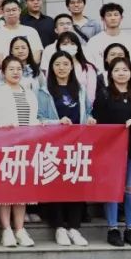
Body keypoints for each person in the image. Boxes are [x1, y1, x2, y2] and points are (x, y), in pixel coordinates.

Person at [0, 55, 46, 248]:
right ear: (3, 72)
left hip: (26, 147)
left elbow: (33, 118)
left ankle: (20, 229)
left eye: (19, 69)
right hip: (4, 147)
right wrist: (0, 127)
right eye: (11, 69)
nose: (16, 72)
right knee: (5, 190)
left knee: (22, 189)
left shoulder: (30, 94)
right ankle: (6, 229)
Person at [93, 57, 131, 248]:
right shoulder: (104, 94)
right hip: (110, 150)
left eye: (125, 70)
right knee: (112, 189)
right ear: (110, 73)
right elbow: (96, 119)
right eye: (117, 70)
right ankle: (112, 229)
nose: (121, 73)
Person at [42, 51, 95, 247]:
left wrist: (90, 119)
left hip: (77, 145)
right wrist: (56, 122)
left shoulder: (80, 89)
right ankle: (59, 227)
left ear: (72, 66)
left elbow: (88, 111)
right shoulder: (43, 91)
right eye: (57, 64)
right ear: (51, 68)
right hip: (53, 146)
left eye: (65, 64)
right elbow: (38, 118)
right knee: (55, 185)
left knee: (76, 184)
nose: (61, 68)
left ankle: (74, 227)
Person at [86, 2, 131, 71]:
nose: (113, 18)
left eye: (116, 15)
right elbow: (90, 66)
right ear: (102, 18)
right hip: (101, 77)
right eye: (109, 15)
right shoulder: (94, 41)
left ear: (121, 18)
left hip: (124, 77)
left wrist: (122, 75)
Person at [0, 0, 43, 71]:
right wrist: (12, 71)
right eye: (8, 10)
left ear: (19, 10)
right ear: (2, 12)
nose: (11, 13)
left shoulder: (31, 31)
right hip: (5, 72)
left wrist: (23, 70)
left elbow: (36, 56)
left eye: (14, 10)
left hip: (29, 72)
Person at [47, 31, 99, 104]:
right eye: (64, 44)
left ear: (78, 46)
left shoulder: (88, 68)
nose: (68, 46)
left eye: (72, 44)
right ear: (59, 47)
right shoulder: (53, 66)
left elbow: (90, 96)